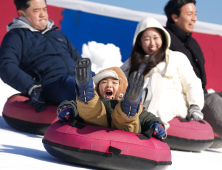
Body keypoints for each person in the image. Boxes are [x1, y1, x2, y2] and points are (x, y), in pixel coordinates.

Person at [121, 17, 204, 130]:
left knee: (158, 85)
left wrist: (195, 105)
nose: (152, 44)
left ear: (163, 38)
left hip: (171, 100)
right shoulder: (132, 63)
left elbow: (192, 82)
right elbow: (117, 77)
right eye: (146, 39)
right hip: (139, 102)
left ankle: (151, 124)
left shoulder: (176, 57)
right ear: (139, 42)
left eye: (156, 38)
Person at [0, 0, 82, 112]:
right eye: (36, 10)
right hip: (52, 84)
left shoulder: (58, 35)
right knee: (70, 84)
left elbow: (80, 62)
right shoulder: (16, 37)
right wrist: (31, 88)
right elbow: (6, 65)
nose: (43, 14)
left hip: (78, 81)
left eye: (44, 9)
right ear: (22, 13)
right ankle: (99, 113)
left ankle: (110, 110)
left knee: (110, 77)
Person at [57, 58, 166, 140]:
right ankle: (85, 92)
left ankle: (130, 104)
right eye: (103, 82)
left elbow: (146, 117)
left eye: (114, 82)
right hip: (95, 122)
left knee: (127, 116)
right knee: (90, 107)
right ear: (97, 88)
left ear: (123, 88)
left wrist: (156, 124)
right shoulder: (98, 101)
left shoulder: (122, 102)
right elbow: (74, 105)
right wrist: (67, 108)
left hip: (124, 129)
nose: (109, 86)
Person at [164, 0, 222, 138]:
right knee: (212, 99)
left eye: (195, 14)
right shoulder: (164, 39)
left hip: (200, 93)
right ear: (175, 17)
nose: (194, 18)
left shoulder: (192, 42)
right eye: (189, 14)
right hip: (185, 97)